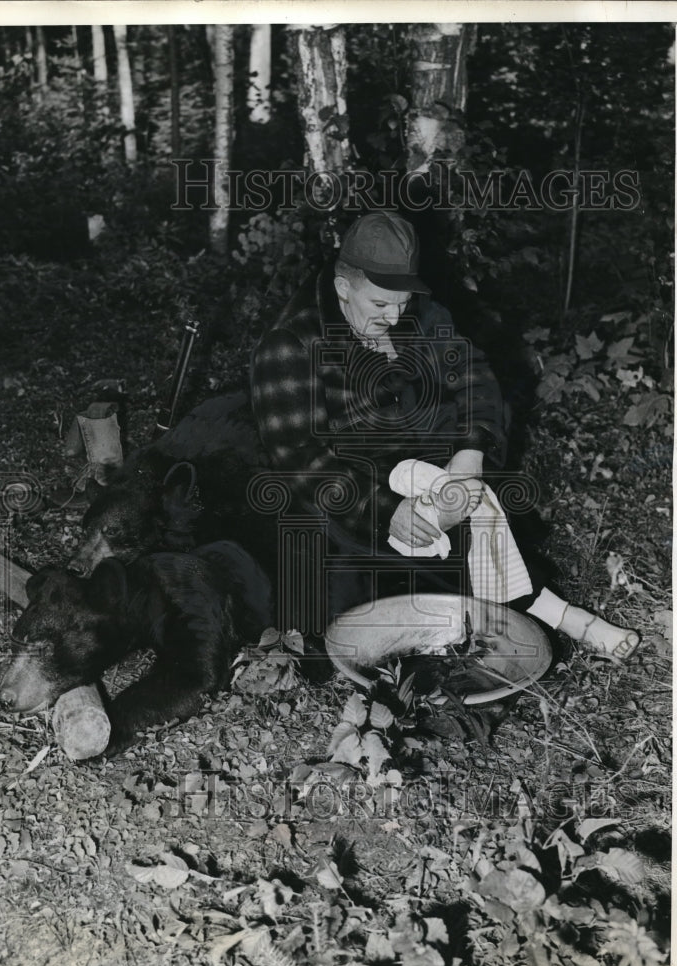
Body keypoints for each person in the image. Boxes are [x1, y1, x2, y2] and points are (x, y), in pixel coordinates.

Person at [250, 211, 639, 661]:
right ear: (343, 288)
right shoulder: (291, 344)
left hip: (420, 466)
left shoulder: (419, 314)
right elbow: (301, 458)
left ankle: (542, 613)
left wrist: (471, 451)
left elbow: (475, 378)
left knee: (471, 512)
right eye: (380, 305)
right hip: (351, 494)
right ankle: (552, 617)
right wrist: (387, 510)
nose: (395, 317)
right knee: (432, 566)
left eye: (402, 301)